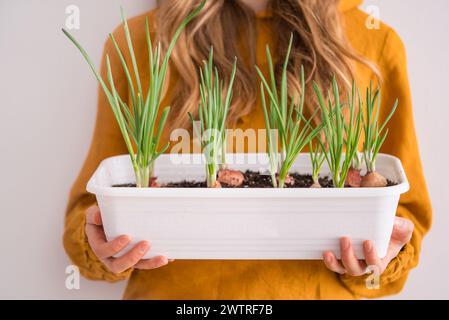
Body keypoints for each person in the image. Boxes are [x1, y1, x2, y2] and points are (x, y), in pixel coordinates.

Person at [64, 0, 432, 299]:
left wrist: (381, 256)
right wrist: (103, 245)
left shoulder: (372, 43)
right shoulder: (140, 41)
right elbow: (89, 212)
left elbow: (405, 216)